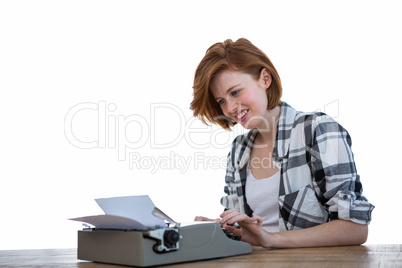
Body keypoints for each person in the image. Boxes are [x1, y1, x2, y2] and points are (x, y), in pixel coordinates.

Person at [190, 38, 374, 248]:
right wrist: (221, 228)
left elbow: (355, 228)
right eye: (221, 101)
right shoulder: (238, 150)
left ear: (265, 79)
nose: (230, 108)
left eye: (235, 92)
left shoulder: (317, 130)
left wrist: (271, 239)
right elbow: (246, 232)